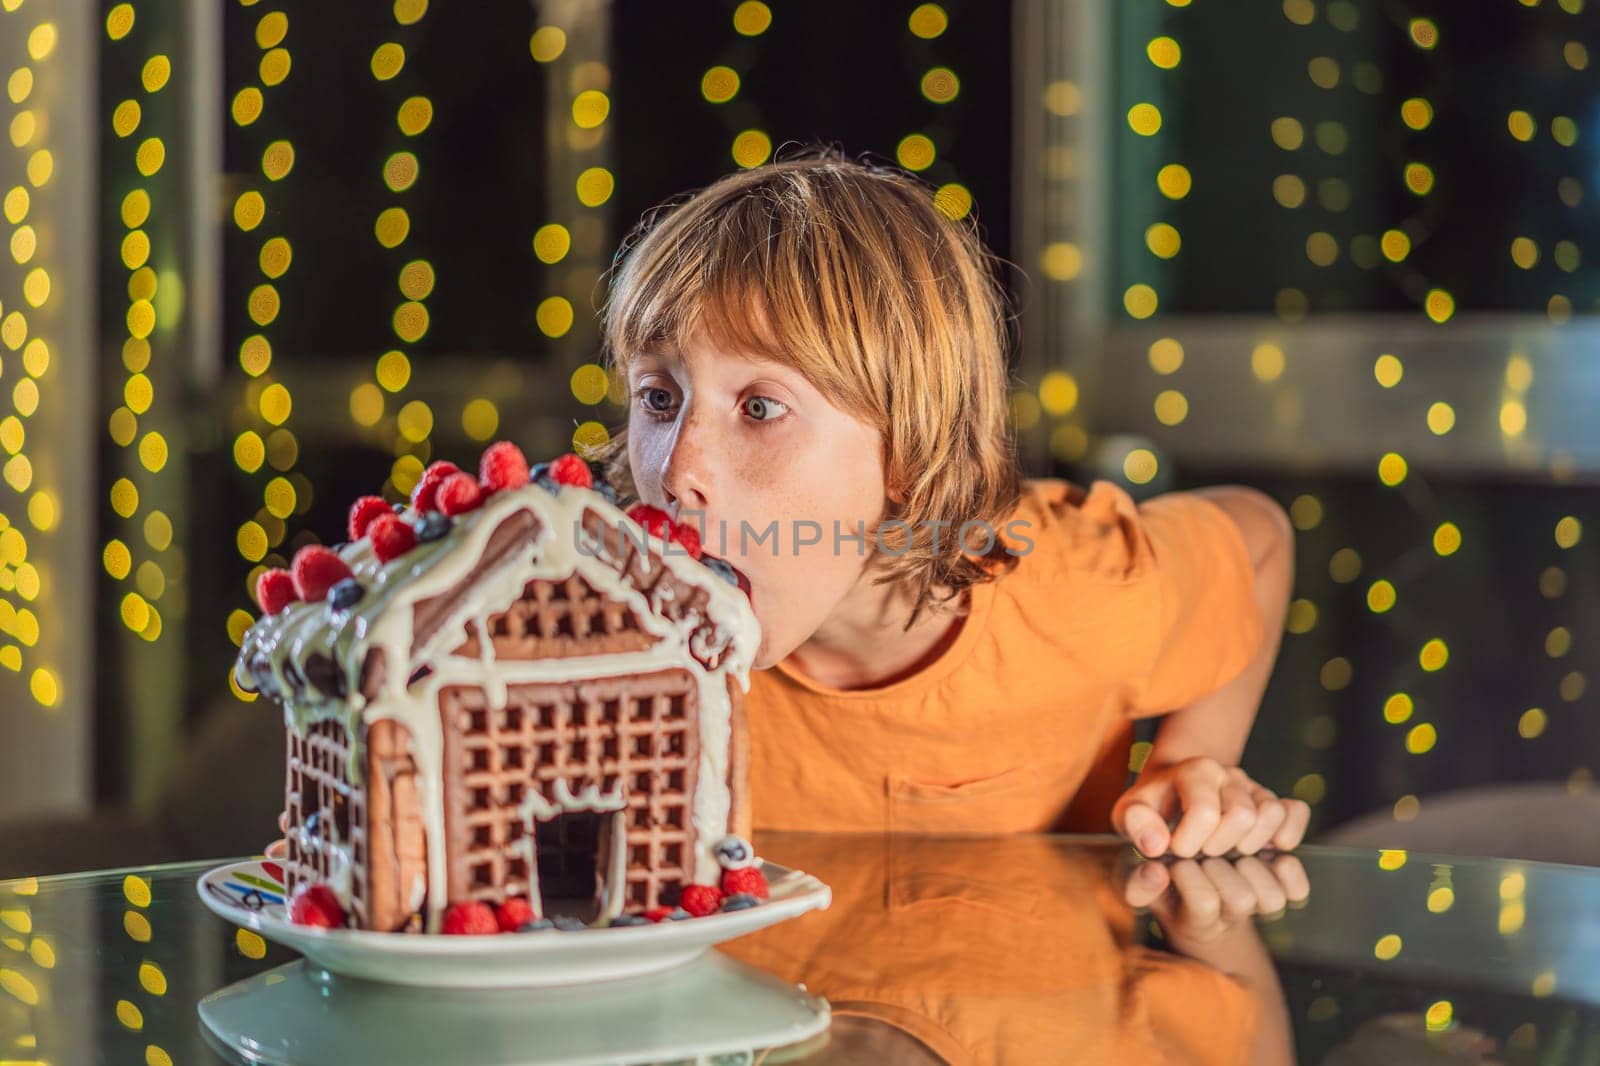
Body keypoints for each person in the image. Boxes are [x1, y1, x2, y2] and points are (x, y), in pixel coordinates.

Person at [590, 144, 1307, 858]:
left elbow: (1261, 539)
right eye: (659, 397)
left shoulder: (1083, 594)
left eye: (760, 408)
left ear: (907, 444)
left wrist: (1192, 761)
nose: (679, 468)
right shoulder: (607, 635)